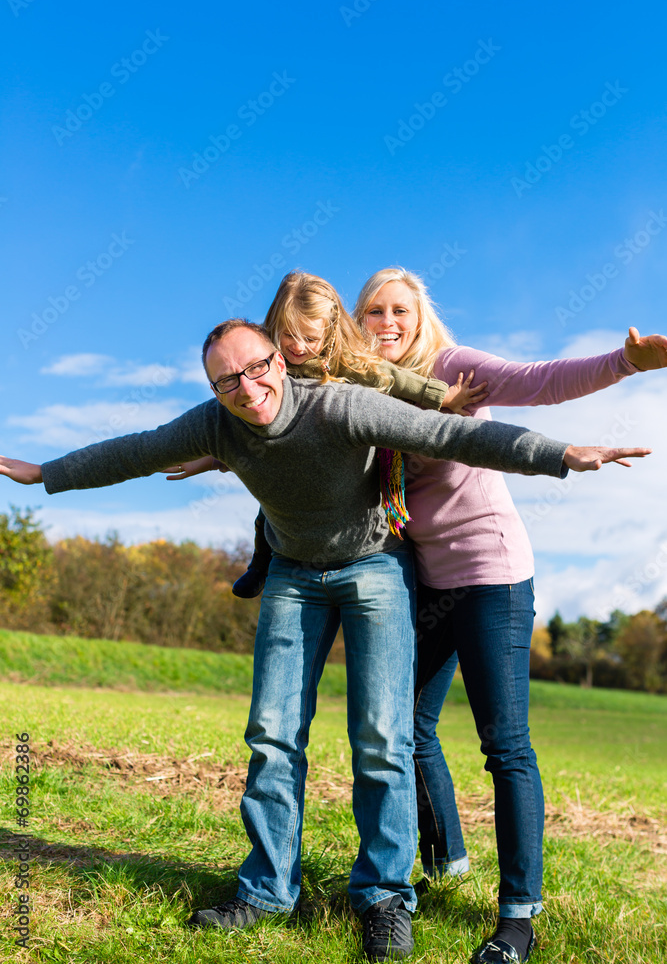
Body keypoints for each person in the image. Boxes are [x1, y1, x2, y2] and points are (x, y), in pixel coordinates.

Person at [0, 319, 650, 963]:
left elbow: (450, 433)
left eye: (256, 367)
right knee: (272, 735)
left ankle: (385, 899)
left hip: (372, 566)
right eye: (227, 379)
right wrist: (43, 474)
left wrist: (559, 455)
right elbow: (135, 450)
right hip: (293, 573)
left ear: (280, 362)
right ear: (214, 389)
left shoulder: (338, 403)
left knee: (382, 737)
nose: (246, 386)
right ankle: (264, 892)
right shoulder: (215, 423)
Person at [354, 266, 666, 964]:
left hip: (490, 571)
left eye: (399, 309)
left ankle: (518, 915)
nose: (387, 323)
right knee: (401, 726)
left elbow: (540, 379)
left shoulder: (453, 367)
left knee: (505, 746)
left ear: (420, 317)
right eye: (373, 311)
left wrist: (626, 363)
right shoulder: (361, 390)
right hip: (426, 577)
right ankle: (446, 859)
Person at [167, 271, 487, 598]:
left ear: (329, 331)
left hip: (339, 463)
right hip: (288, 462)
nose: (298, 346)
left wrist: (443, 397)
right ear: (276, 326)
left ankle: (374, 553)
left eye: (310, 337)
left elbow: (394, 379)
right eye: (289, 334)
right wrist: (206, 459)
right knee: (272, 503)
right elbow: (235, 422)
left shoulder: (346, 363)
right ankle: (261, 562)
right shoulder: (268, 368)